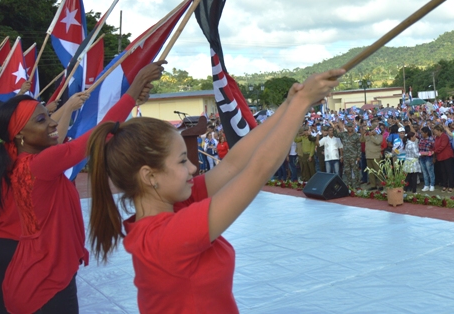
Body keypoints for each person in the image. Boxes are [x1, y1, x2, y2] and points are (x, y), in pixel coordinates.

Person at [88, 69, 341, 312]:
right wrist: (302, 103)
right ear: (149, 176)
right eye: (181, 161)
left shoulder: (175, 206)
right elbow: (257, 171)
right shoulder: (165, 237)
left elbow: (234, 162)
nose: (193, 167)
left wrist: (288, 106)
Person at [0, 63, 162, 313]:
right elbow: (97, 135)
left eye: (49, 115)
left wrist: (132, 98)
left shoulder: (15, 158)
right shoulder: (40, 165)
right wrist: (133, 88)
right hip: (46, 276)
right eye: (42, 119)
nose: (52, 123)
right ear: (20, 135)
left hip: (30, 266)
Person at [432, 125, 454, 192]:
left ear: (439, 131)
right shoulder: (437, 137)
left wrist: (434, 151)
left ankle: (451, 186)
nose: (435, 133)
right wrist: (432, 150)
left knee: (449, 171)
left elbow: (442, 146)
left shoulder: (444, 136)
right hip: (440, 157)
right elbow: (435, 146)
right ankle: (445, 185)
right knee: (443, 171)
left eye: (436, 132)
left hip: (447, 156)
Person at [418, 127, 435, 192]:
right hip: (421, 157)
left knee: (430, 172)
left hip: (429, 157)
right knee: (424, 172)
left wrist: (434, 157)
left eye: (422, 132)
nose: (421, 134)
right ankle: (426, 185)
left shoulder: (431, 139)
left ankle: (432, 185)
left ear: (426, 133)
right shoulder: (421, 139)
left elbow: (434, 149)